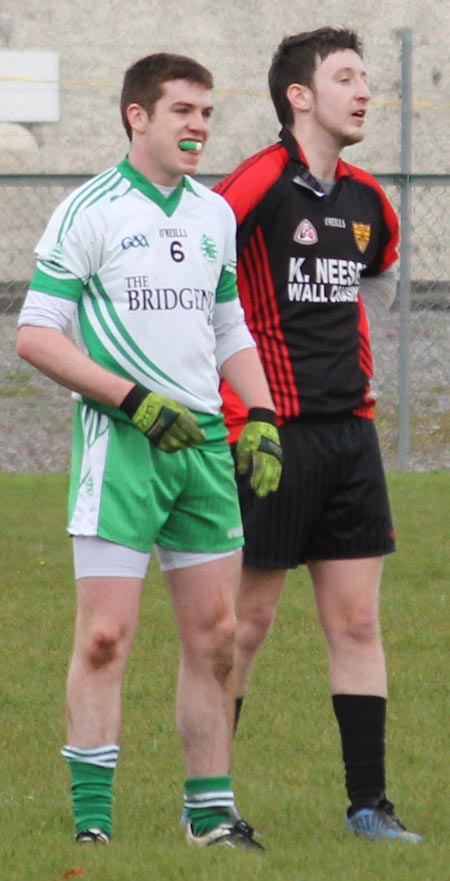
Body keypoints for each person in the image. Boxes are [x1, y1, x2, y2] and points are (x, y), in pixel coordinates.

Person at [16, 52, 283, 851]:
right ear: (138, 116)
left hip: (201, 446)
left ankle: (209, 814)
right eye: (183, 111)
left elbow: (229, 324)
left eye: (206, 112)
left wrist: (262, 413)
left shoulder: (213, 216)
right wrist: (133, 399)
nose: (200, 125)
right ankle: (92, 822)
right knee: (104, 635)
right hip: (122, 442)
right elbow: (35, 336)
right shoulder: (87, 210)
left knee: (217, 632)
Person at [214, 27, 422, 843]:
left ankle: (369, 804)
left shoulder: (370, 198)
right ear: (300, 96)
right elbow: (197, 282)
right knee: (245, 626)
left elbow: (374, 290)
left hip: (350, 437)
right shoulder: (254, 186)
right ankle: (212, 803)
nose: (364, 91)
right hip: (272, 439)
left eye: (366, 77)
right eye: (346, 77)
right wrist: (240, 409)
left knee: (359, 624)